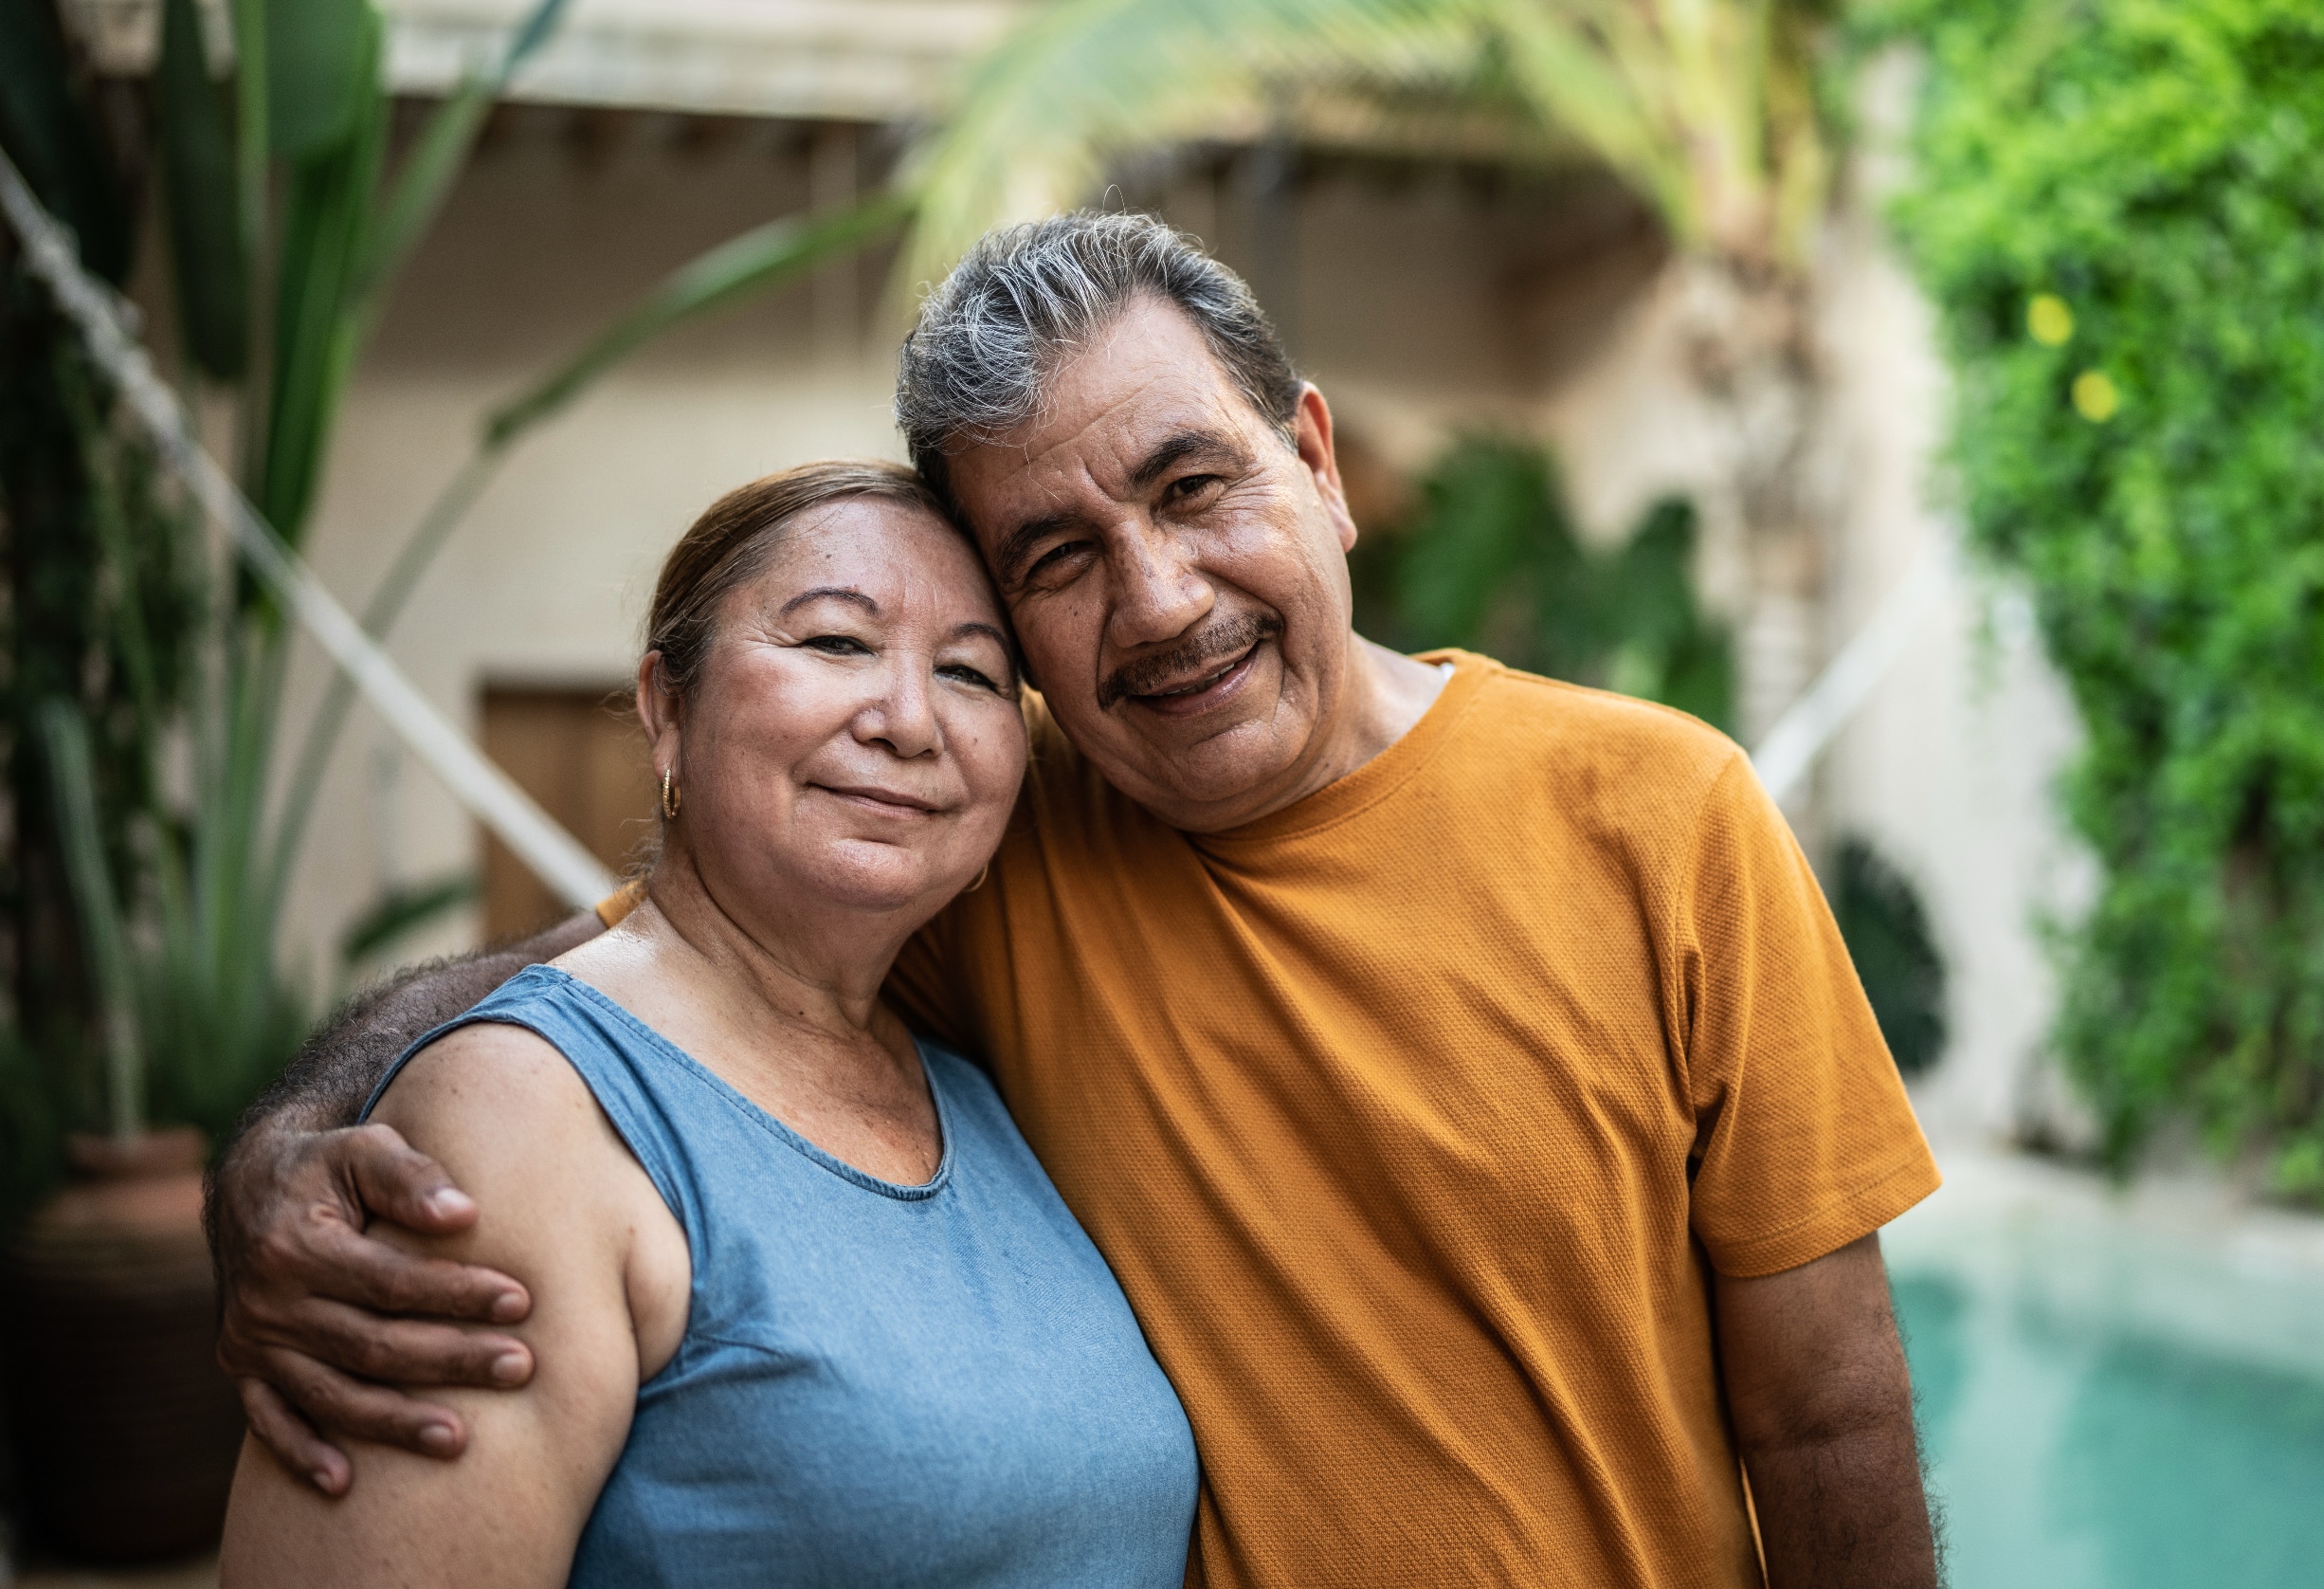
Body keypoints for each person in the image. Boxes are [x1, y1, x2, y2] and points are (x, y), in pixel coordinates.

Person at [209, 212, 1942, 1588]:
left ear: (1316, 466)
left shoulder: (1661, 812)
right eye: (1053, 559)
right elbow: (633, 989)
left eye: (1194, 489)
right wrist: (290, 1142)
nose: (1160, 599)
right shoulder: (984, 843)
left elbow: (1828, 1423)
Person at [216, 462, 1198, 1587]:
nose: (910, 719)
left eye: (973, 672)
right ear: (666, 708)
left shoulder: (977, 1082)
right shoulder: (516, 1118)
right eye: (834, 642)